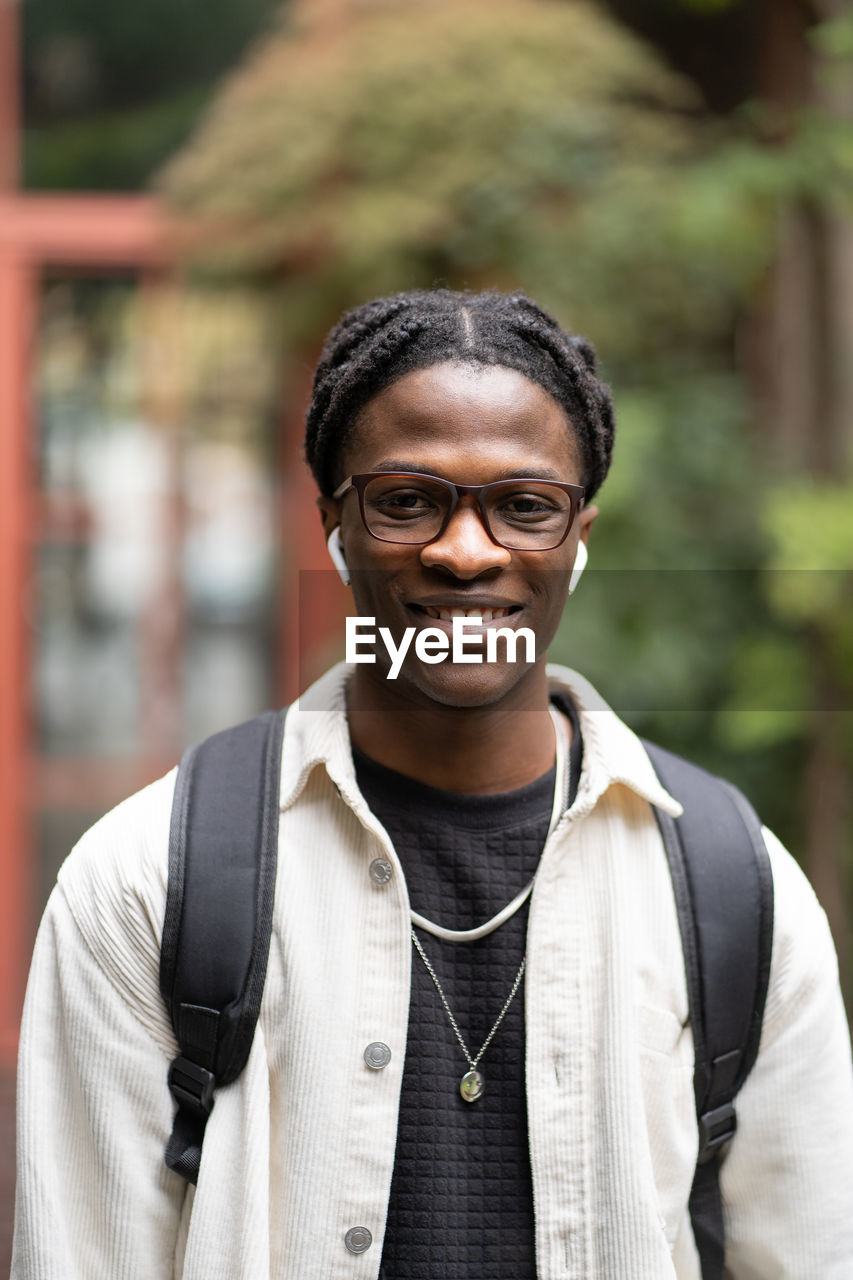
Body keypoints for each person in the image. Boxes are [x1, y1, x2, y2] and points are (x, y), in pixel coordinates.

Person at [12, 288, 853, 1280]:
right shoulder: (148, 878)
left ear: (579, 534)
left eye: (523, 506)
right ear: (334, 522)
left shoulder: (733, 887)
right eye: (407, 500)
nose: (465, 550)